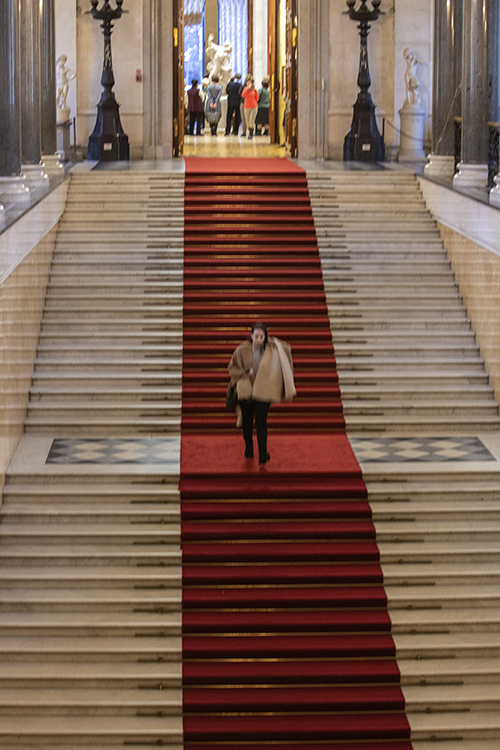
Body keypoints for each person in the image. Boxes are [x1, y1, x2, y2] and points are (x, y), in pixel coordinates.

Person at [228, 322, 296, 465]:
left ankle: (263, 453)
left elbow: (287, 348)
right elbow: (231, 368)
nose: (258, 339)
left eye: (261, 336)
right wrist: (243, 372)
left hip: (264, 390)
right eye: (256, 336)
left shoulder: (271, 350)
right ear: (251, 335)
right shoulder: (242, 350)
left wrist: (274, 341)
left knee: (261, 422)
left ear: (265, 337)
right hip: (246, 390)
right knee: (247, 422)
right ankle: (249, 448)